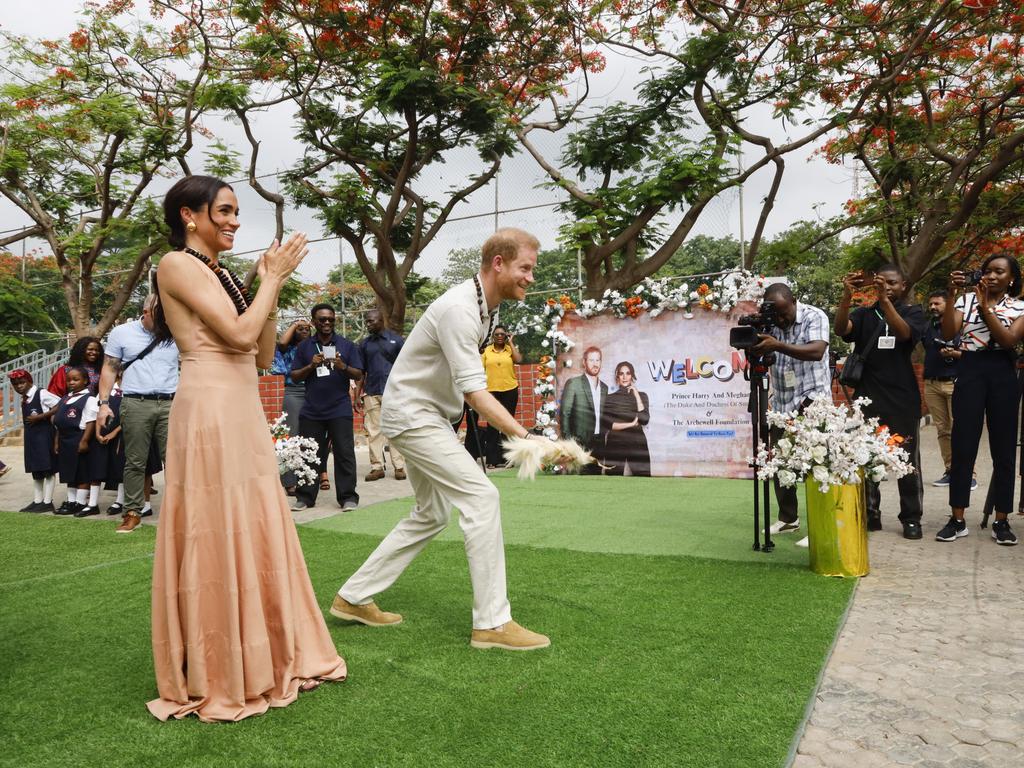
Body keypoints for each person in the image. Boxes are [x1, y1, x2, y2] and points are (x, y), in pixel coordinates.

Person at [146, 174, 345, 722]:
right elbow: (235, 337)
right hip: (209, 407)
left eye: (236, 212)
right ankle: (221, 670)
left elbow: (260, 354)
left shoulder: (221, 274)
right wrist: (272, 280)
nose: (235, 221)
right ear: (191, 215)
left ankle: (269, 652)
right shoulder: (176, 265)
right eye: (225, 211)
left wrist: (269, 287)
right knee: (217, 527)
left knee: (255, 521)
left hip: (241, 404)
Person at [332, 227, 550, 651]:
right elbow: (475, 391)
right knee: (482, 497)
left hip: (423, 415)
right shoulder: (460, 309)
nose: (531, 277)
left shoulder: (486, 309)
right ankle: (491, 623)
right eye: (525, 268)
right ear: (498, 264)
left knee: (432, 514)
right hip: (415, 417)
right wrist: (528, 435)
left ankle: (353, 597)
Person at [935, 255, 1024, 546]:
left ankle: (1002, 520)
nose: (992, 276)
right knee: (963, 445)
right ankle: (957, 518)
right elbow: (949, 332)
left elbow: (1009, 340)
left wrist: (986, 308)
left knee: (1004, 449)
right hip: (970, 369)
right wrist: (951, 295)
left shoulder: (1020, 307)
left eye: (1000, 272)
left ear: (1012, 278)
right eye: (988, 271)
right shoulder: (964, 302)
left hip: (1002, 372)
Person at [835, 264, 928, 540]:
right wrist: (846, 296)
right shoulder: (864, 314)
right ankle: (870, 514)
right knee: (866, 459)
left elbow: (904, 335)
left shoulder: (913, 313)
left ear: (903, 286)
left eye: (893, 283)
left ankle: (911, 517)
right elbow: (842, 329)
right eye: (882, 282)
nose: (887, 286)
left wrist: (885, 301)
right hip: (868, 399)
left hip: (902, 400)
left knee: (906, 462)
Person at [750, 283, 831, 547]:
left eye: (785, 313)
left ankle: (820, 523)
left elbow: (817, 351)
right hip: (783, 404)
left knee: (816, 466)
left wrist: (778, 344)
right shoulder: (771, 323)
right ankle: (788, 518)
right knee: (780, 465)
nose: (782, 320)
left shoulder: (814, 316)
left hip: (812, 401)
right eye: (778, 315)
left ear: (794, 301)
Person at [97, 294, 180, 534]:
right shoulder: (121, 333)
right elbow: (110, 368)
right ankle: (132, 513)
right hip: (135, 402)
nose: (165, 318)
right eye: (159, 314)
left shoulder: (176, 331)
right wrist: (103, 403)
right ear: (145, 311)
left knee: (174, 461)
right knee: (135, 461)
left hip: (170, 403)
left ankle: (178, 512)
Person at [289, 304, 364, 512]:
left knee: (344, 452)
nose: (327, 323)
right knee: (308, 453)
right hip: (312, 410)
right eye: (322, 319)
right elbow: (294, 376)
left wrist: (343, 367)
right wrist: (311, 366)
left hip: (339, 408)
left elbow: (358, 374)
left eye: (331, 319)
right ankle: (305, 497)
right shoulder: (304, 347)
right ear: (314, 321)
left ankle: (348, 497)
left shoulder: (346, 345)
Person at [921, 290, 967, 489]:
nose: (933, 307)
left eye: (937, 303)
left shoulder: (961, 325)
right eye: (931, 304)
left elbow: (974, 355)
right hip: (931, 383)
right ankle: (950, 470)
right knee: (943, 430)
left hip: (954, 382)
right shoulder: (927, 327)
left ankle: (967, 474)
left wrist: (955, 353)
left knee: (961, 430)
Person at [355, 308, 406, 481]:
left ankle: (399, 466)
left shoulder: (396, 341)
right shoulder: (364, 344)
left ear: (381, 320)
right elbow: (361, 372)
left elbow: (407, 367)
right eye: (366, 321)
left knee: (395, 429)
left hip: (394, 392)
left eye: (371, 321)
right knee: (373, 431)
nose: (368, 324)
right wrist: (357, 395)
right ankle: (377, 467)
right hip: (371, 392)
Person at [52, 366, 102, 517]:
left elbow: (91, 421)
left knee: (81, 472)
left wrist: (84, 440)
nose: (71, 382)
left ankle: (80, 502)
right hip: (64, 439)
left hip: (78, 438)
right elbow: (59, 423)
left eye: (76, 379)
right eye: (68, 380)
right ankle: (71, 501)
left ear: (85, 381)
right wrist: (56, 441)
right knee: (68, 472)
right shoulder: (66, 397)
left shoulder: (89, 399)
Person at [272, 318, 314, 494]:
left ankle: (311, 478)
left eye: (307, 329)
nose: (304, 331)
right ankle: (289, 481)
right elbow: (282, 341)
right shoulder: (287, 349)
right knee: (290, 437)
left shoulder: (315, 347)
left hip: (314, 391)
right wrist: (296, 323)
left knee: (314, 436)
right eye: (300, 329)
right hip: (294, 392)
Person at [8, 369, 59, 512]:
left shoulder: (41, 393)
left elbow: (60, 404)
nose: (19, 386)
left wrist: (41, 416)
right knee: (35, 469)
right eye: (15, 384)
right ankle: (37, 501)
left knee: (47, 468)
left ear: (30, 381)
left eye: (22, 382)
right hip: (31, 437)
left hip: (44, 435)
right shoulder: (25, 398)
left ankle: (47, 501)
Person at [559, 346, 607, 473]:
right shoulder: (574, 383)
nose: (595, 364)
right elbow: (565, 414)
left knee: (597, 481)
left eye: (598, 360)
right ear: (584, 362)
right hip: (578, 443)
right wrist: (569, 444)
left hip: (599, 444)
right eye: (591, 360)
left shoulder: (604, 388)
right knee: (578, 482)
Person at [480, 325, 522, 467]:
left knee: (508, 424)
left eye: (502, 334)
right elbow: (480, 368)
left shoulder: (510, 349)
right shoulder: (486, 351)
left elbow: (519, 359)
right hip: (491, 391)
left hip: (510, 390)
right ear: (493, 336)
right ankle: (492, 460)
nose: (499, 336)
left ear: (506, 336)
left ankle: (507, 459)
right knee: (492, 424)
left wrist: (511, 342)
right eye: (497, 334)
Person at [600, 361, 651, 476]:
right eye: (621, 373)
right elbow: (608, 424)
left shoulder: (642, 396)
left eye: (628, 373)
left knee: (644, 480)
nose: (624, 377)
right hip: (615, 443)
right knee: (612, 482)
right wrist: (631, 424)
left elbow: (644, 419)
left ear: (632, 376)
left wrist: (636, 394)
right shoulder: (609, 398)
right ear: (617, 376)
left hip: (637, 443)